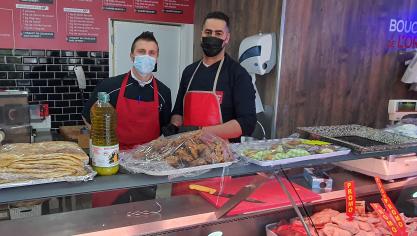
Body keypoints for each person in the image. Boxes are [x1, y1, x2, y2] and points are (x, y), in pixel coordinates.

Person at [163, 11, 257, 195]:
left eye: (218, 34)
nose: (212, 37)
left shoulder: (238, 74)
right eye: (208, 32)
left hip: (220, 161)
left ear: (227, 38)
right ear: (201, 34)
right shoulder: (189, 72)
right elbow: (178, 111)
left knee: (212, 213)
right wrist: (174, 126)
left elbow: (247, 123)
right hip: (186, 158)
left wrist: (201, 132)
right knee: (182, 209)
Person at [82, 31, 171, 206]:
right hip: (111, 163)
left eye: (152, 53)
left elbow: (164, 127)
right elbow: (87, 117)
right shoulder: (109, 86)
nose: (146, 56)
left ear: (157, 57)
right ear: (132, 55)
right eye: (141, 51)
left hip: (146, 164)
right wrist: (103, 146)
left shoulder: (164, 92)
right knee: (108, 214)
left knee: (143, 212)